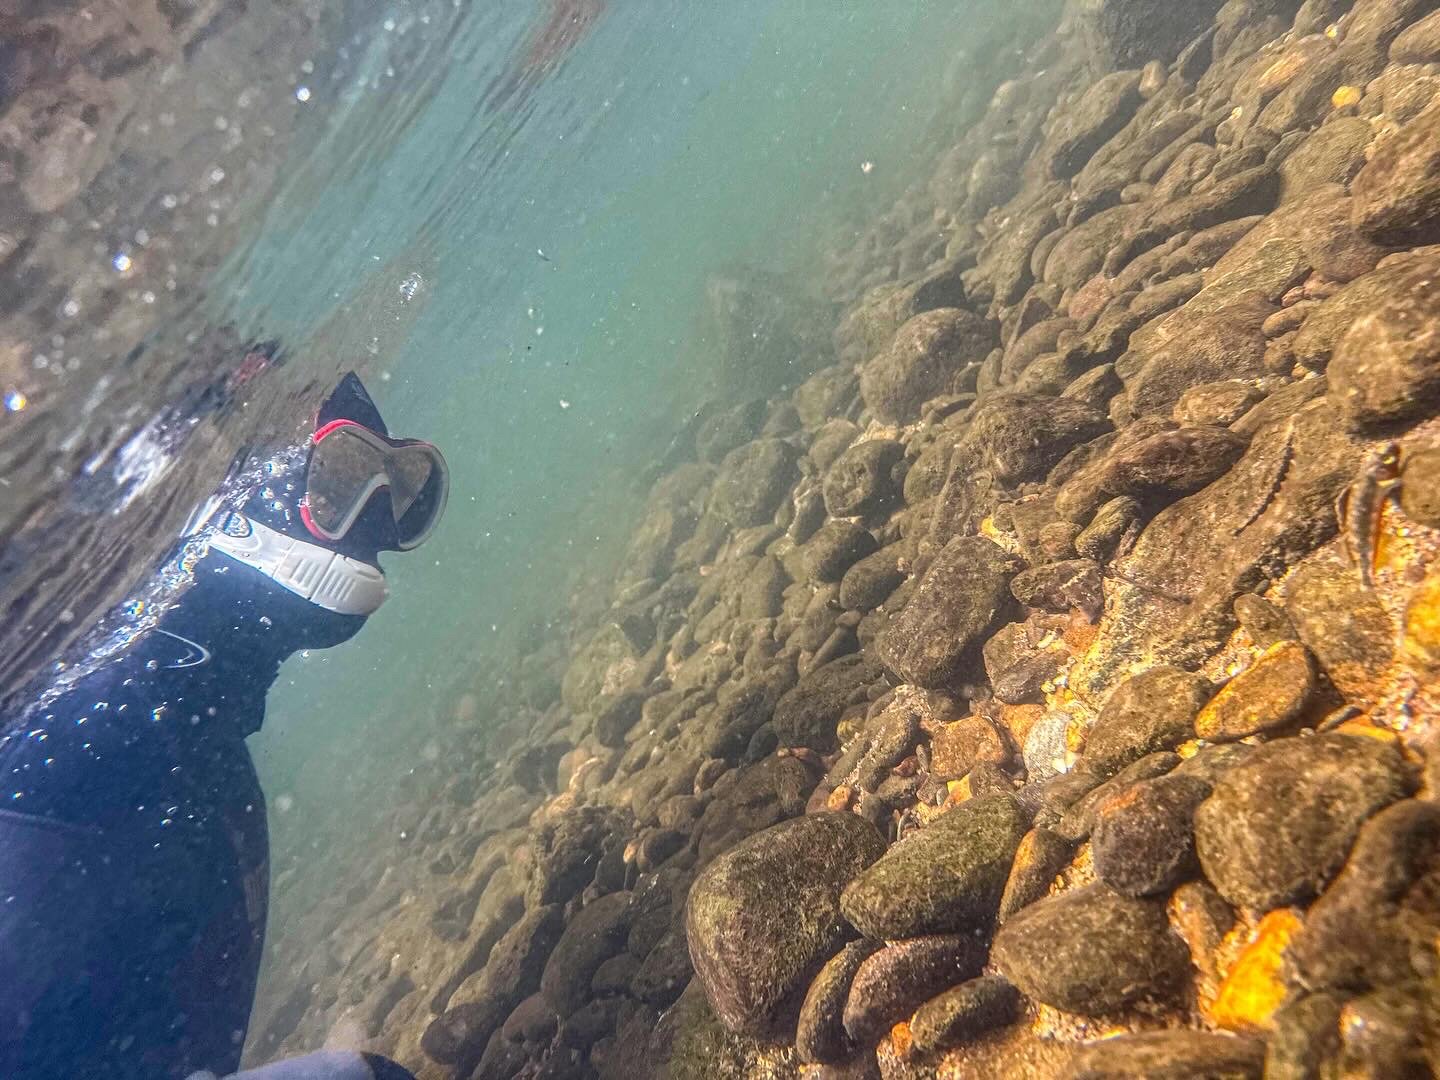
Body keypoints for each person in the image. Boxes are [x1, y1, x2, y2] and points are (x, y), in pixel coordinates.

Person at [0, 372, 448, 1080]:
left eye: (400, 492)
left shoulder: (179, 760)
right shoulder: (63, 776)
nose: (375, 523)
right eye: (341, 478)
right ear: (223, 503)